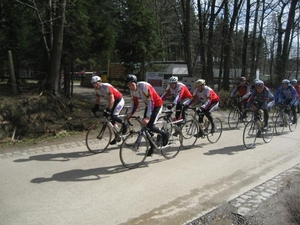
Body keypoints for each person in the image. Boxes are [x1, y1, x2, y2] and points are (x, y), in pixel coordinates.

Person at [124, 74, 169, 157]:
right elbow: (135, 103)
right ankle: (152, 147)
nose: (130, 87)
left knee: (150, 126)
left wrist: (148, 117)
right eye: (128, 85)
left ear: (136, 83)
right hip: (149, 106)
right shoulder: (132, 91)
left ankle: (163, 133)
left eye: (132, 84)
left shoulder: (144, 86)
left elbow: (151, 101)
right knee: (145, 127)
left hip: (157, 105)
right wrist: (130, 113)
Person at [91, 75, 126, 145]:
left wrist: (109, 109)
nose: (94, 85)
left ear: (99, 82)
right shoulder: (97, 89)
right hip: (112, 101)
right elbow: (97, 99)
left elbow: (112, 99)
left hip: (118, 100)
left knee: (113, 116)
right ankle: (117, 135)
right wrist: (96, 107)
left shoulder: (106, 87)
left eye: (95, 83)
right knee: (110, 119)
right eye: (93, 84)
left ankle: (125, 124)